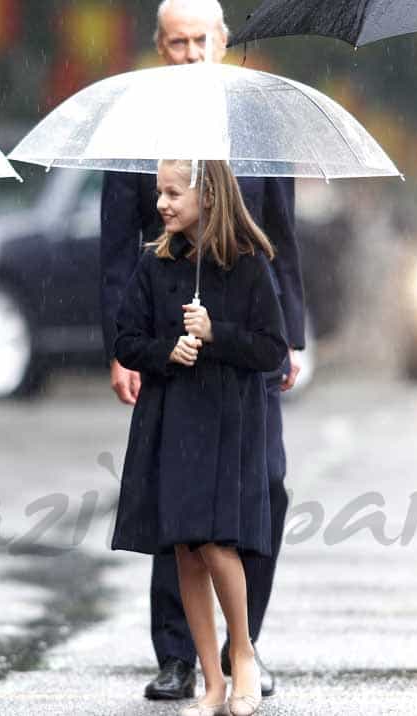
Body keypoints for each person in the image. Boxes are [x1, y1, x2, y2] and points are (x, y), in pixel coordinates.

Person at [99, 0, 305, 700]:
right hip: (168, 340)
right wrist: (125, 350)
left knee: (262, 490)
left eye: (200, 40)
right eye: (176, 42)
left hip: (248, 341)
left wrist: (293, 335)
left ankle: (246, 643)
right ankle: (179, 654)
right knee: (175, 501)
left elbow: (283, 233)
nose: (189, 52)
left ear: (222, 41)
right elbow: (113, 246)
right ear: (159, 46)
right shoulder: (137, 127)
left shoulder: (256, 121)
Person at [112, 159, 286, 716]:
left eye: (172, 192)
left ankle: (243, 654)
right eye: (159, 192)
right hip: (172, 417)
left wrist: (215, 335)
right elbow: (127, 339)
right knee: (185, 547)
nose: (161, 203)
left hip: (226, 420)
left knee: (216, 542)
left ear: (207, 195)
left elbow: (269, 349)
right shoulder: (156, 263)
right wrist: (168, 350)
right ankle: (211, 681)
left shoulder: (248, 265)